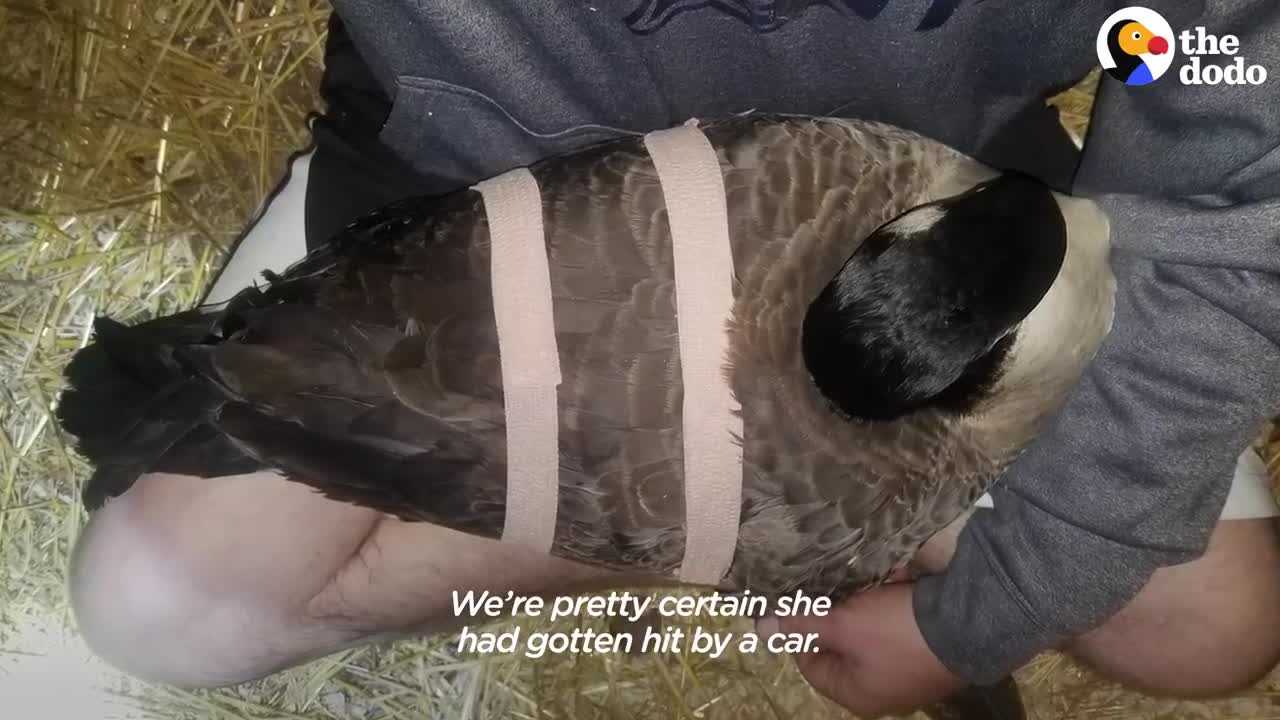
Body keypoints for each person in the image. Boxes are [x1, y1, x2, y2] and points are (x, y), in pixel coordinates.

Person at [68, 2, 1280, 716]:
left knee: (1209, 626)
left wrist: (978, 621)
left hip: (938, 222)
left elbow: (1224, 121)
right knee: (164, 614)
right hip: (474, 190)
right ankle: (767, 548)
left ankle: (754, 530)